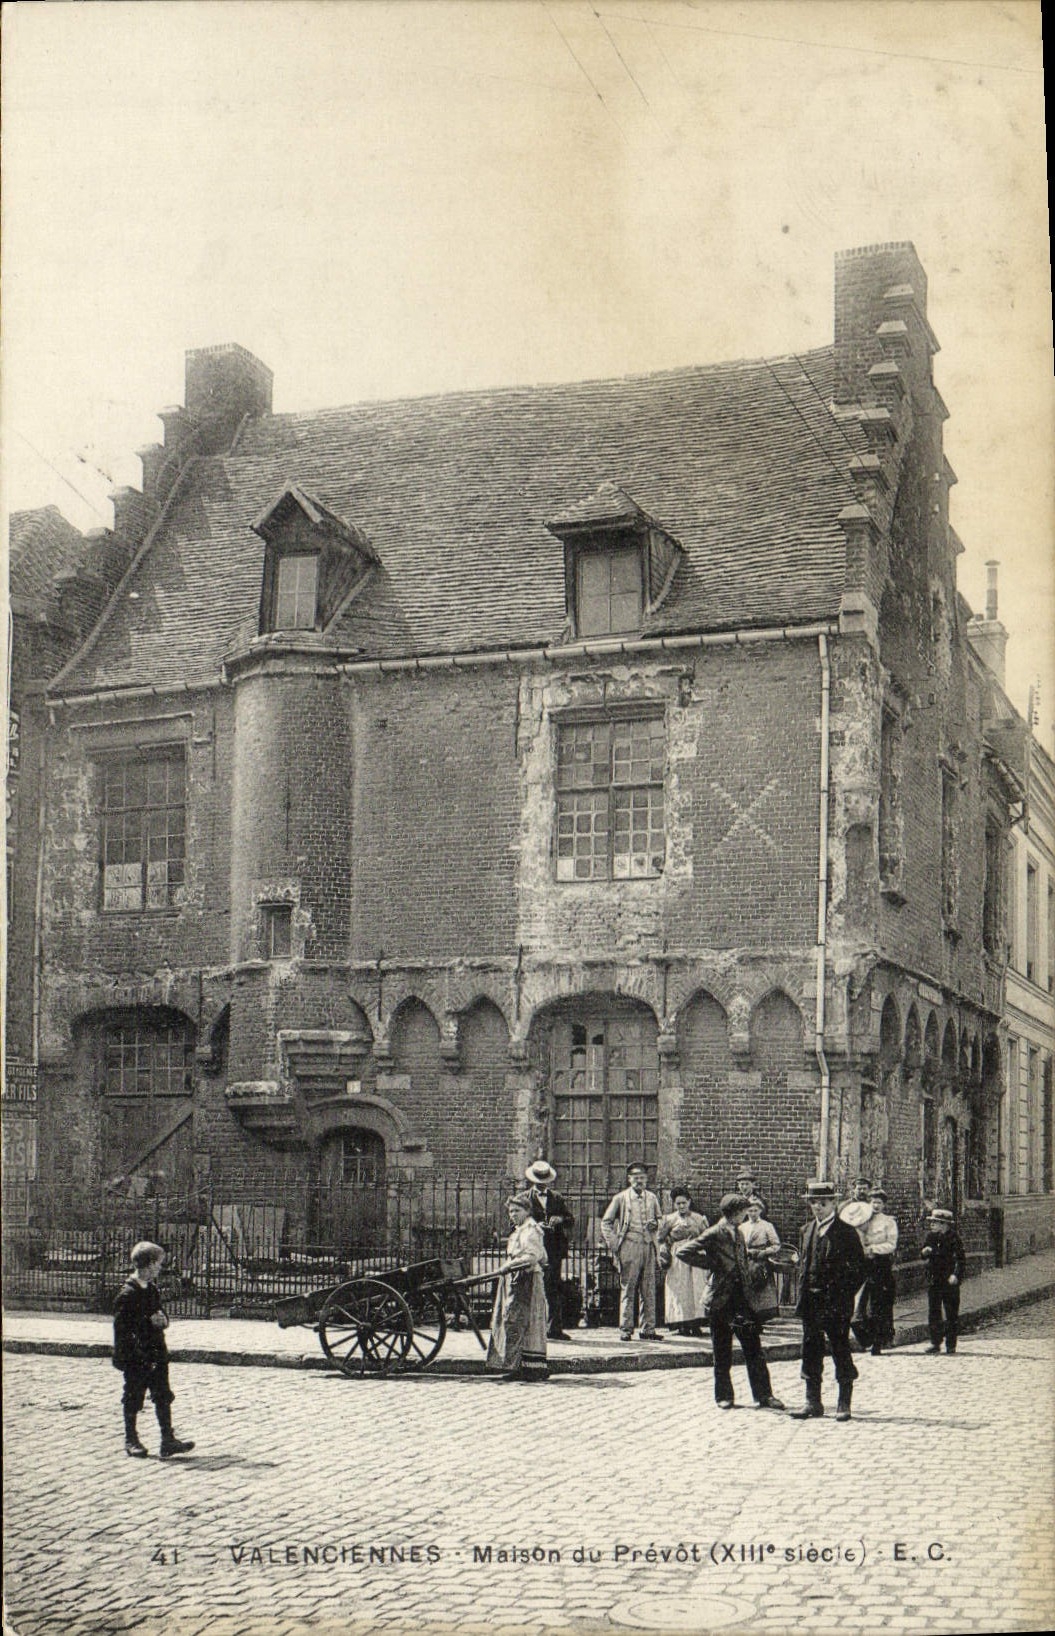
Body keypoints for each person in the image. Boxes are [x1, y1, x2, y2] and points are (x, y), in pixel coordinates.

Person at [688, 1194, 784, 1411]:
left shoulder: (739, 1232)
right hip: (720, 1300)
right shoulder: (715, 1231)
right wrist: (712, 1264)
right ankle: (724, 1396)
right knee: (722, 1350)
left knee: (754, 1348)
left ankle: (764, 1396)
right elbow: (685, 1251)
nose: (746, 1214)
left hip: (741, 1300)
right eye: (743, 1210)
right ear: (734, 1212)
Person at [791, 1180, 868, 1422]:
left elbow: (859, 1270)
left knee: (839, 1348)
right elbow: (804, 1266)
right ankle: (812, 1401)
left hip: (835, 1304)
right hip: (811, 1303)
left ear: (834, 1203)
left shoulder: (846, 1233)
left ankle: (844, 1402)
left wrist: (842, 1294)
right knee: (810, 1350)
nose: (818, 1208)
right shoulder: (806, 1231)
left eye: (823, 1203)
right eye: (813, 1203)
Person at [112, 1241, 195, 1459]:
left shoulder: (152, 1290)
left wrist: (163, 1321)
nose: (160, 1268)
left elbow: (160, 1314)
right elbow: (122, 1330)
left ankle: (167, 1439)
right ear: (147, 1265)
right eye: (158, 1264)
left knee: (162, 1395)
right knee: (133, 1396)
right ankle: (131, 1439)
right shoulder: (127, 1294)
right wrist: (125, 1357)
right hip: (137, 1356)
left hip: (156, 1353)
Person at [486, 1193, 550, 1381]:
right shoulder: (520, 1229)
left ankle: (530, 1367)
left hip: (527, 1279)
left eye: (517, 1211)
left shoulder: (531, 1230)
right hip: (517, 1278)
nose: (512, 1214)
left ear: (527, 1211)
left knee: (523, 1319)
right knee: (512, 1318)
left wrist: (509, 1265)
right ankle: (516, 1364)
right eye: (510, 1211)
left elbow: (534, 1256)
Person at [601, 1163, 663, 1341]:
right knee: (628, 1288)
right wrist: (615, 1245)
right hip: (629, 1245)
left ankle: (648, 1329)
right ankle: (626, 1329)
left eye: (642, 1177)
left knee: (649, 1289)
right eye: (635, 1177)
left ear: (647, 1179)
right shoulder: (621, 1198)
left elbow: (660, 1218)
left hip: (648, 1245)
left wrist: (656, 1224)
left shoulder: (652, 1198)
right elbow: (606, 1222)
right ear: (629, 1179)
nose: (639, 1181)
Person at [524, 1159, 575, 1341]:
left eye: (544, 1181)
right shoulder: (524, 1199)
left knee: (553, 1288)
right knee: (531, 1288)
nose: (542, 1184)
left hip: (554, 1250)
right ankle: (530, 1329)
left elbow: (571, 1219)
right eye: (539, 1181)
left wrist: (560, 1219)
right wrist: (535, 1225)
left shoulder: (557, 1198)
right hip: (532, 1249)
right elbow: (513, 1224)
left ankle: (554, 1328)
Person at [657, 1188, 710, 1333]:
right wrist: (664, 1252)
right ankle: (681, 1324)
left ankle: (695, 1323)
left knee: (696, 1289)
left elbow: (707, 1236)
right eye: (678, 1203)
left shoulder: (699, 1218)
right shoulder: (669, 1219)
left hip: (695, 1255)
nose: (681, 1206)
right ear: (674, 1204)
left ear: (689, 1202)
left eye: (684, 1203)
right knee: (680, 1289)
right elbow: (660, 1238)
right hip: (678, 1257)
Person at [854, 1186, 898, 1354]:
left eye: (879, 1203)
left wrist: (873, 1249)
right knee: (858, 1306)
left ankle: (877, 1342)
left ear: (884, 1205)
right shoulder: (862, 1220)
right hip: (863, 1266)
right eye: (873, 1202)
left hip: (880, 1266)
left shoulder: (888, 1222)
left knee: (877, 1306)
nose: (876, 1206)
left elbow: (891, 1245)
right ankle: (865, 1338)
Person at [921, 1207, 966, 1355]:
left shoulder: (954, 1238)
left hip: (949, 1281)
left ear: (944, 1224)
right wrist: (924, 1252)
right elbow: (923, 1253)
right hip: (934, 1280)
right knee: (934, 1312)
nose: (932, 1225)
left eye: (935, 1222)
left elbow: (960, 1259)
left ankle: (951, 1344)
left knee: (951, 1313)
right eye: (932, 1222)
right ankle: (935, 1343)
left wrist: (956, 1275)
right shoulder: (931, 1237)